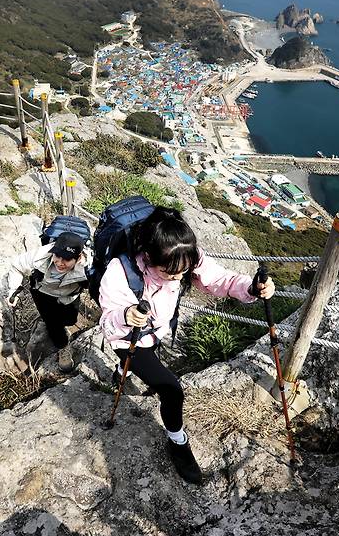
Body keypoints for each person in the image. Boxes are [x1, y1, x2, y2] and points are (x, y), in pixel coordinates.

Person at [99, 206, 274, 484]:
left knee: (144, 360)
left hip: (158, 331)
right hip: (128, 337)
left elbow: (219, 280)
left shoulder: (183, 255)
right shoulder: (121, 271)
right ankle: (178, 441)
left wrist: (251, 288)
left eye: (184, 271)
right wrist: (125, 316)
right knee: (172, 390)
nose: (179, 277)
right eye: (170, 273)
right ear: (148, 257)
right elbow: (107, 322)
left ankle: (123, 371)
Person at [8, 232, 88, 373]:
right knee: (53, 324)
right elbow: (16, 265)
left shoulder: (88, 268)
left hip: (69, 296)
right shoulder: (40, 255)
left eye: (67, 259)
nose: (60, 262)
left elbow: (102, 285)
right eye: (57, 256)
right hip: (43, 293)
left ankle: (62, 327)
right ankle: (62, 347)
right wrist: (13, 289)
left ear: (79, 257)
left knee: (70, 320)